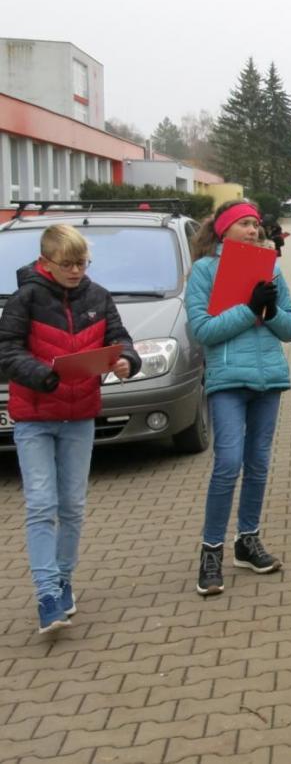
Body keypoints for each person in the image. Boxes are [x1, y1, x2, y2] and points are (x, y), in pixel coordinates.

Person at [0, 224, 139, 633]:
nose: (77, 271)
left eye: (82, 263)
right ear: (46, 262)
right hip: (35, 419)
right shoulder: (24, 298)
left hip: (80, 417)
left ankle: (64, 581)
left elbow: (122, 340)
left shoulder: (99, 296)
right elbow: (6, 352)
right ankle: (46, 594)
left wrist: (127, 361)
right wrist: (43, 375)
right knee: (41, 505)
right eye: (68, 264)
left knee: (72, 506)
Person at [185, 200, 291, 597]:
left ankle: (247, 540)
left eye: (256, 224)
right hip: (228, 380)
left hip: (269, 379)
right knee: (228, 462)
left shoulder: (269, 267)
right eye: (245, 224)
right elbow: (202, 329)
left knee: (259, 463)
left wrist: (268, 312)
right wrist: (247, 309)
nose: (254, 230)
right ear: (224, 230)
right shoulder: (204, 270)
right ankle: (211, 549)